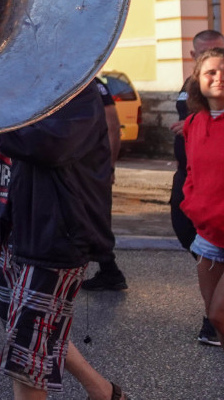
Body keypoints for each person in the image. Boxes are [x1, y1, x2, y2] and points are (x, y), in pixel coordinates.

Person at [0, 81, 128, 400]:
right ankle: (104, 392)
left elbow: (49, 145)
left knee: (26, 352)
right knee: (28, 328)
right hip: (11, 233)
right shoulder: (10, 94)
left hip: (55, 236)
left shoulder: (77, 90)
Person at [180, 46, 224, 396]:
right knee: (220, 323)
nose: (220, 77)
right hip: (209, 234)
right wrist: (193, 203)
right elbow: (192, 172)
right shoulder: (194, 122)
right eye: (211, 72)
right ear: (198, 81)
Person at [170, 29, 224, 345]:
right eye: (205, 53)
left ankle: (217, 319)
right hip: (187, 175)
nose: (213, 58)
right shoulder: (192, 83)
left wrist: (193, 124)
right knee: (185, 233)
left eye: (219, 51)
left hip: (218, 179)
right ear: (193, 57)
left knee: (212, 244)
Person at [82, 77, 128, 291]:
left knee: (94, 216)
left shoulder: (93, 82)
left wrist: (108, 167)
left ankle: (110, 270)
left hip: (90, 167)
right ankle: (108, 269)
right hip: (83, 166)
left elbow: (113, 126)